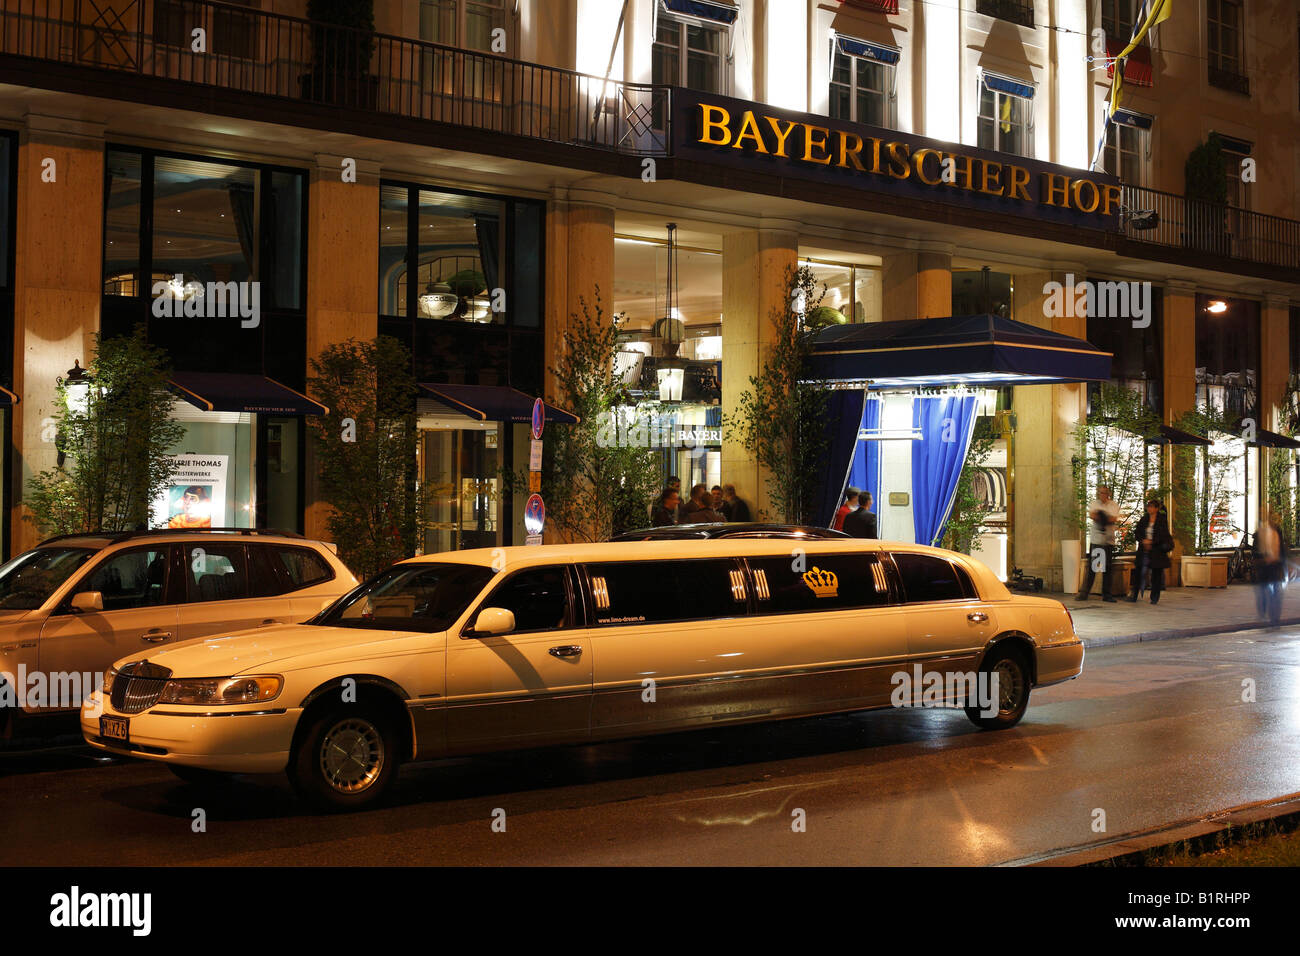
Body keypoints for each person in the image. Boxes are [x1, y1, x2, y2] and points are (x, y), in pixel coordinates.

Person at [1077, 484, 1119, 602]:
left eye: (1105, 493)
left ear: (1108, 493)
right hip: (1097, 540)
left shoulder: (1113, 505)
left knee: (1107, 568)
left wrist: (1101, 516)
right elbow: (1092, 515)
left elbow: (1113, 519)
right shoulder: (1094, 503)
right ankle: (1085, 593)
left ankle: (1107, 594)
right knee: (1093, 567)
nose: (1103, 495)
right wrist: (1104, 517)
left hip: (1108, 540)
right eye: (1101, 493)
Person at [1128, 498, 1173, 604]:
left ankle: (1154, 597)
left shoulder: (1161, 520)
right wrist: (1143, 540)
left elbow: (1163, 534)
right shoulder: (1144, 519)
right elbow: (1137, 532)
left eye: (1152, 506)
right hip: (1143, 549)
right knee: (1139, 572)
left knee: (1156, 574)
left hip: (1156, 550)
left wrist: (1151, 542)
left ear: (1156, 508)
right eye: (1148, 506)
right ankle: (1134, 595)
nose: (1149, 508)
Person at [1254, 507, 1287, 626]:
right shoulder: (1259, 533)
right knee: (1263, 591)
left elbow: (1281, 549)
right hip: (1264, 566)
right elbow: (1255, 550)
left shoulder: (1277, 531)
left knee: (1276, 592)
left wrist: (1283, 565)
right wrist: (1261, 560)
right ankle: (1263, 614)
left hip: (1275, 565)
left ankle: (1274, 618)